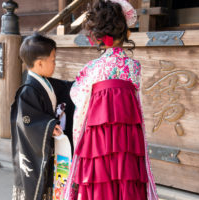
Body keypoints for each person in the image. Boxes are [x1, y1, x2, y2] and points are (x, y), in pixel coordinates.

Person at [64, 0, 158, 199]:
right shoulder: (134, 68)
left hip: (98, 140)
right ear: (126, 33)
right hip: (127, 140)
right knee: (127, 179)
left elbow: (76, 95)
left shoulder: (91, 68)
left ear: (98, 36)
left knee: (99, 182)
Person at [10, 33, 74, 200]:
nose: (55, 63)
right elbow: (28, 121)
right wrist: (49, 125)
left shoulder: (46, 83)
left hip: (50, 147)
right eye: (53, 60)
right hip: (36, 150)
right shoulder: (28, 90)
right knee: (38, 186)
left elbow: (67, 88)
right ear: (39, 63)